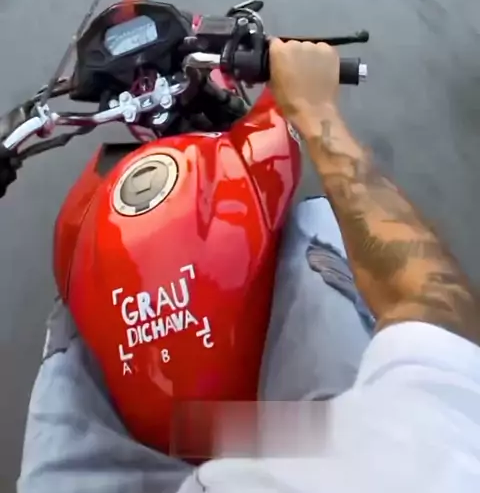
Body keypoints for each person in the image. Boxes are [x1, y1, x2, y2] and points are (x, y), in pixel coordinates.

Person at [3, 41, 480, 492]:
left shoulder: (443, 445)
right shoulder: (441, 456)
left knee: (77, 296)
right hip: (309, 442)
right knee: (315, 223)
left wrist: (315, 112)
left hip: (149, 473)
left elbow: (433, 301)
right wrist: (315, 110)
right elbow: (432, 309)